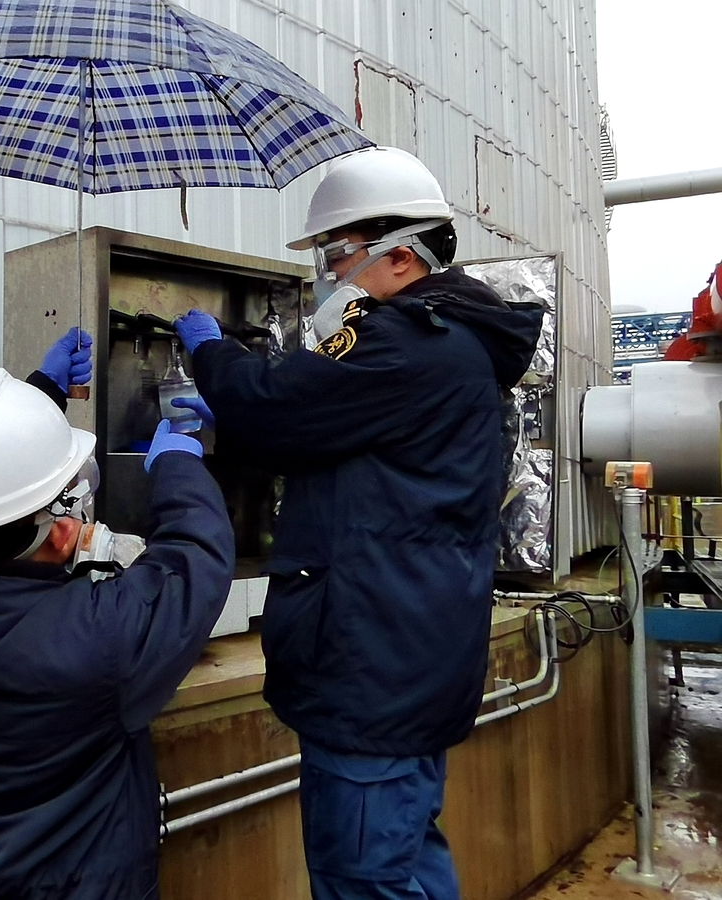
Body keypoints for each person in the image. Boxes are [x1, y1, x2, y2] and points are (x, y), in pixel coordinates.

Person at [173, 147, 544, 900]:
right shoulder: (452, 341)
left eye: (336, 256)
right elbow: (320, 435)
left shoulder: (409, 341)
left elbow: (278, 407)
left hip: (372, 673)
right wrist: (239, 423)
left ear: (400, 256)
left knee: (363, 878)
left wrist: (211, 354)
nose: (329, 277)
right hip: (406, 659)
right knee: (405, 864)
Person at [0, 327, 236, 900]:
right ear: (64, 531)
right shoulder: (96, 641)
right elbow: (195, 559)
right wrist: (178, 464)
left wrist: (39, 396)